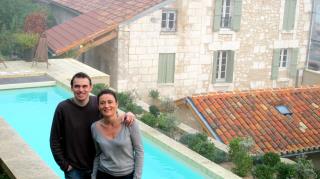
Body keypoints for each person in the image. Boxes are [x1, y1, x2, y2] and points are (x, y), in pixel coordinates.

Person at [50, 72, 135, 179]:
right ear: (71, 88)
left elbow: (113, 114)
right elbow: (54, 140)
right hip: (74, 170)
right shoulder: (62, 108)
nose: (81, 90)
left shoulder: (98, 104)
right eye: (77, 86)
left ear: (91, 87)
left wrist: (128, 114)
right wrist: (64, 165)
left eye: (85, 86)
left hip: (98, 168)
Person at [91, 89, 144, 179]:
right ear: (99, 106)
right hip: (103, 174)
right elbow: (98, 154)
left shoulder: (129, 123)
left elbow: (139, 151)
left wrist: (137, 177)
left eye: (110, 102)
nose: (106, 105)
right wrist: (93, 176)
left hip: (126, 175)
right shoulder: (95, 127)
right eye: (102, 103)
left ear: (116, 104)